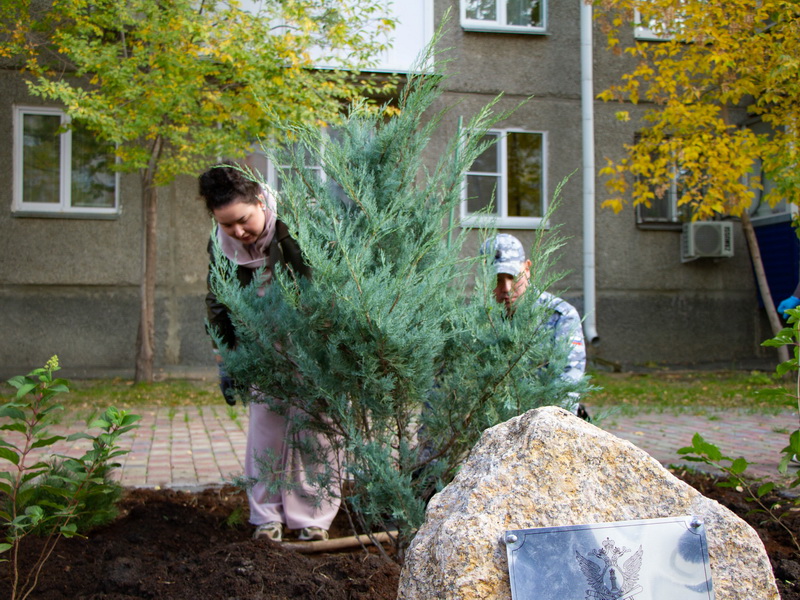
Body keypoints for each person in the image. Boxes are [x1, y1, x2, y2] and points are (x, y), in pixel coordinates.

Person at [200, 163, 340, 543]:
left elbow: (321, 285)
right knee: (266, 429)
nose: (238, 232)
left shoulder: (295, 227)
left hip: (308, 341)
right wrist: (227, 357)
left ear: (260, 200)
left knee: (314, 428)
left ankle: (312, 518)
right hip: (262, 345)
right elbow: (218, 298)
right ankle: (266, 517)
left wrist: (329, 351)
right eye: (227, 225)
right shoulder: (222, 242)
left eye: (243, 220)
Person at [481, 233, 590, 420]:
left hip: (544, 424)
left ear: (527, 268)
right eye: (497, 279)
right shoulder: (476, 321)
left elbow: (566, 386)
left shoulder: (560, 317)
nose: (506, 288)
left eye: (512, 277)